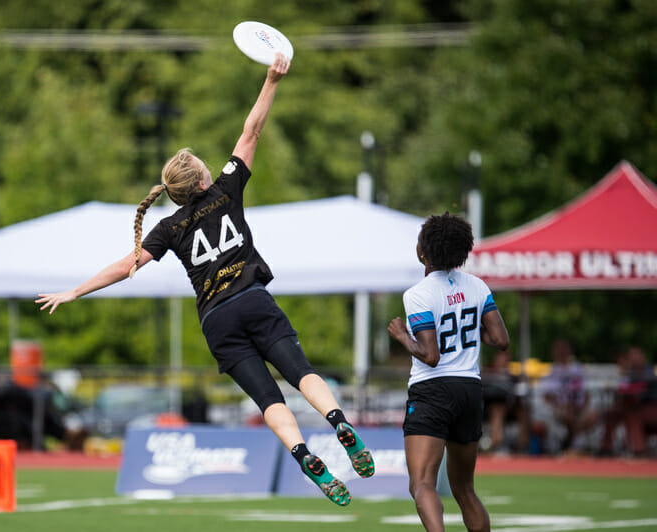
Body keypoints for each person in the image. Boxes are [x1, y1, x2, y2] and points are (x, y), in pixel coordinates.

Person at [36, 53, 373, 506]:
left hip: (217, 321)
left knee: (268, 400)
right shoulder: (225, 191)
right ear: (198, 180)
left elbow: (124, 266)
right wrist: (271, 79)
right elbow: (252, 130)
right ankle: (337, 421)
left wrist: (74, 290)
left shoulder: (166, 227)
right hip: (253, 299)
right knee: (300, 373)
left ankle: (301, 453)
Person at [387, 212, 509, 532]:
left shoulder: (418, 293)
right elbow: (500, 339)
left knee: (422, 484)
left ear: (425, 251)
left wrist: (401, 336)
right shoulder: (477, 286)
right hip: (470, 389)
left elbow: (429, 355)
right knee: (465, 490)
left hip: (433, 390)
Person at [537, 338, 597, 453]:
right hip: (561, 408)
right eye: (559, 350)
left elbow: (587, 393)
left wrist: (583, 408)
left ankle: (569, 443)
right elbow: (547, 396)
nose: (562, 353)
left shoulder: (578, 369)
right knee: (568, 414)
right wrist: (560, 407)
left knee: (593, 415)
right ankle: (573, 445)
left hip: (579, 408)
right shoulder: (551, 372)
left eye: (564, 349)